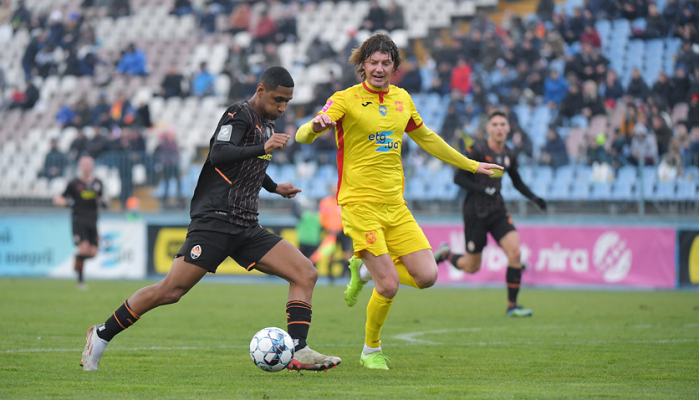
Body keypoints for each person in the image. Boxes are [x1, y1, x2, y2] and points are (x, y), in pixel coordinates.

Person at [80, 67, 341, 372]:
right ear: (261, 90)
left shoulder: (267, 124)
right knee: (171, 291)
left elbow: (250, 164)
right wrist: (264, 147)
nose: (283, 107)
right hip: (216, 219)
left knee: (305, 273)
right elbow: (219, 154)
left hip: (246, 224)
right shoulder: (238, 114)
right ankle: (101, 334)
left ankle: (298, 349)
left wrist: (274, 187)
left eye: (287, 101)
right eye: (278, 99)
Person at [295, 34, 502, 370]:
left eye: (386, 63)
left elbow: (428, 139)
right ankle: (371, 350)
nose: (379, 68)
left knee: (427, 276)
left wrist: (471, 164)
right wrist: (316, 126)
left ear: (394, 67)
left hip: (395, 206)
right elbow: (302, 135)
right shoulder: (345, 99)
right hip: (359, 204)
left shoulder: (402, 99)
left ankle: (364, 271)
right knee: (389, 284)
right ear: (363, 65)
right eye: (373, 62)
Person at [434, 110, 547, 318]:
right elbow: (458, 178)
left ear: (508, 128)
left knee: (515, 253)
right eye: (495, 124)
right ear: (488, 129)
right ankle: (445, 254)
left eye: (503, 124)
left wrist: (535, 198)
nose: (499, 128)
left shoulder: (509, 154)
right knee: (471, 266)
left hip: (497, 210)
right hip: (475, 212)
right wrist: (483, 190)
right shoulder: (477, 150)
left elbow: (517, 182)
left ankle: (512, 306)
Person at [53, 156, 104, 290]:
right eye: (84, 164)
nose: (86, 166)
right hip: (78, 221)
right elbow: (58, 199)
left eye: (89, 164)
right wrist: (67, 203)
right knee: (84, 248)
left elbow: (101, 198)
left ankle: (78, 259)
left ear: (92, 166)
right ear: (80, 166)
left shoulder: (98, 183)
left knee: (93, 252)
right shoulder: (74, 183)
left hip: (93, 221)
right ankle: (80, 282)